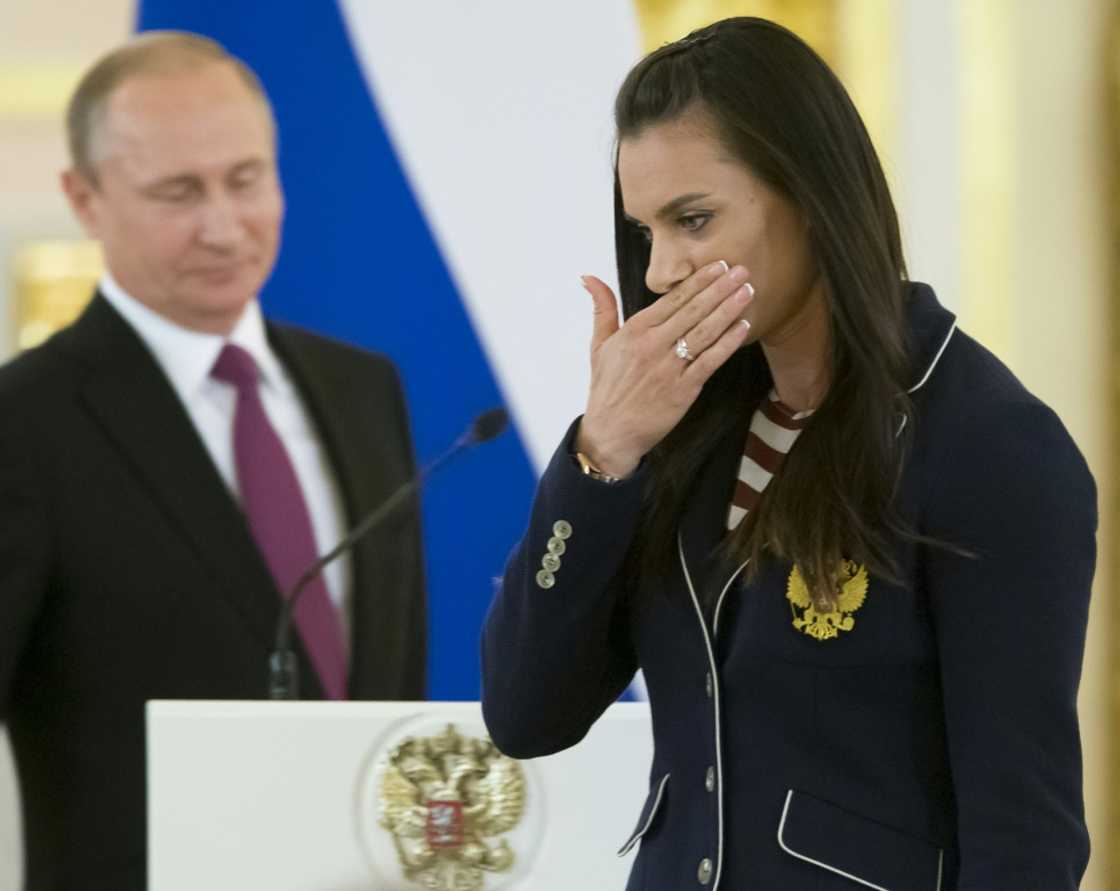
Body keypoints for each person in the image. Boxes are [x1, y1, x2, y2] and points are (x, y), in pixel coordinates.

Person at [481, 17, 1095, 891]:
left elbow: (1024, 843)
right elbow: (523, 713)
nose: (658, 271)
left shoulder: (991, 444)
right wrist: (602, 452)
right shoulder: (678, 424)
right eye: (645, 230)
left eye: (693, 219)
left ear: (809, 194)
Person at [0, 32, 426, 891]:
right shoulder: (23, 421)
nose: (225, 225)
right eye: (177, 192)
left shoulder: (362, 388)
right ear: (84, 200)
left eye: (246, 179)